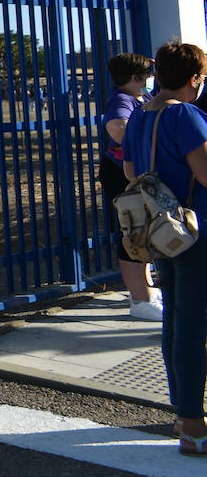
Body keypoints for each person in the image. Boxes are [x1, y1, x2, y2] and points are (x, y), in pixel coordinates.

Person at [120, 41, 207, 456]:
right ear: (193, 78)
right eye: (201, 78)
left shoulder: (140, 116)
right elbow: (206, 174)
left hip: (158, 232)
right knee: (193, 327)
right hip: (194, 230)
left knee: (175, 318)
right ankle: (193, 424)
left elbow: (131, 172)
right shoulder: (185, 114)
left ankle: (182, 411)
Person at [102, 52, 162, 321]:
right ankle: (140, 300)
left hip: (138, 174)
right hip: (122, 175)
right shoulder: (121, 100)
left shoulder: (142, 97)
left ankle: (147, 289)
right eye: (148, 75)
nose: (152, 79)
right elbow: (117, 127)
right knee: (132, 233)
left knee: (144, 234)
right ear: (135, 78)